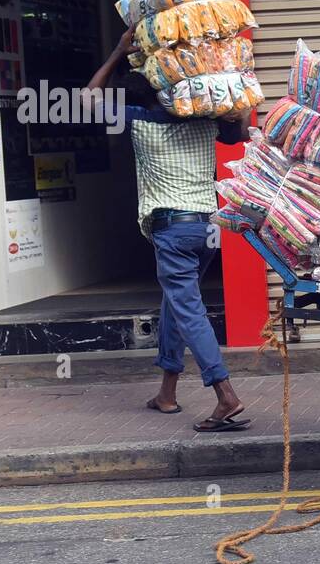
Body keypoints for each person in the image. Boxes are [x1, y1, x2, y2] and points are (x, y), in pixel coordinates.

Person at [86, 28, 252, 432]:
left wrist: (117, 50)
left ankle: (225, 394)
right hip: (208, 230)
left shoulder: (140, 123)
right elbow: (242, 132)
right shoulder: (204, 122)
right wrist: (237, 86)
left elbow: (88, 99)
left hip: (172, 231)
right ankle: (167, 392)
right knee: (175, 305)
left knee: (189, 309)